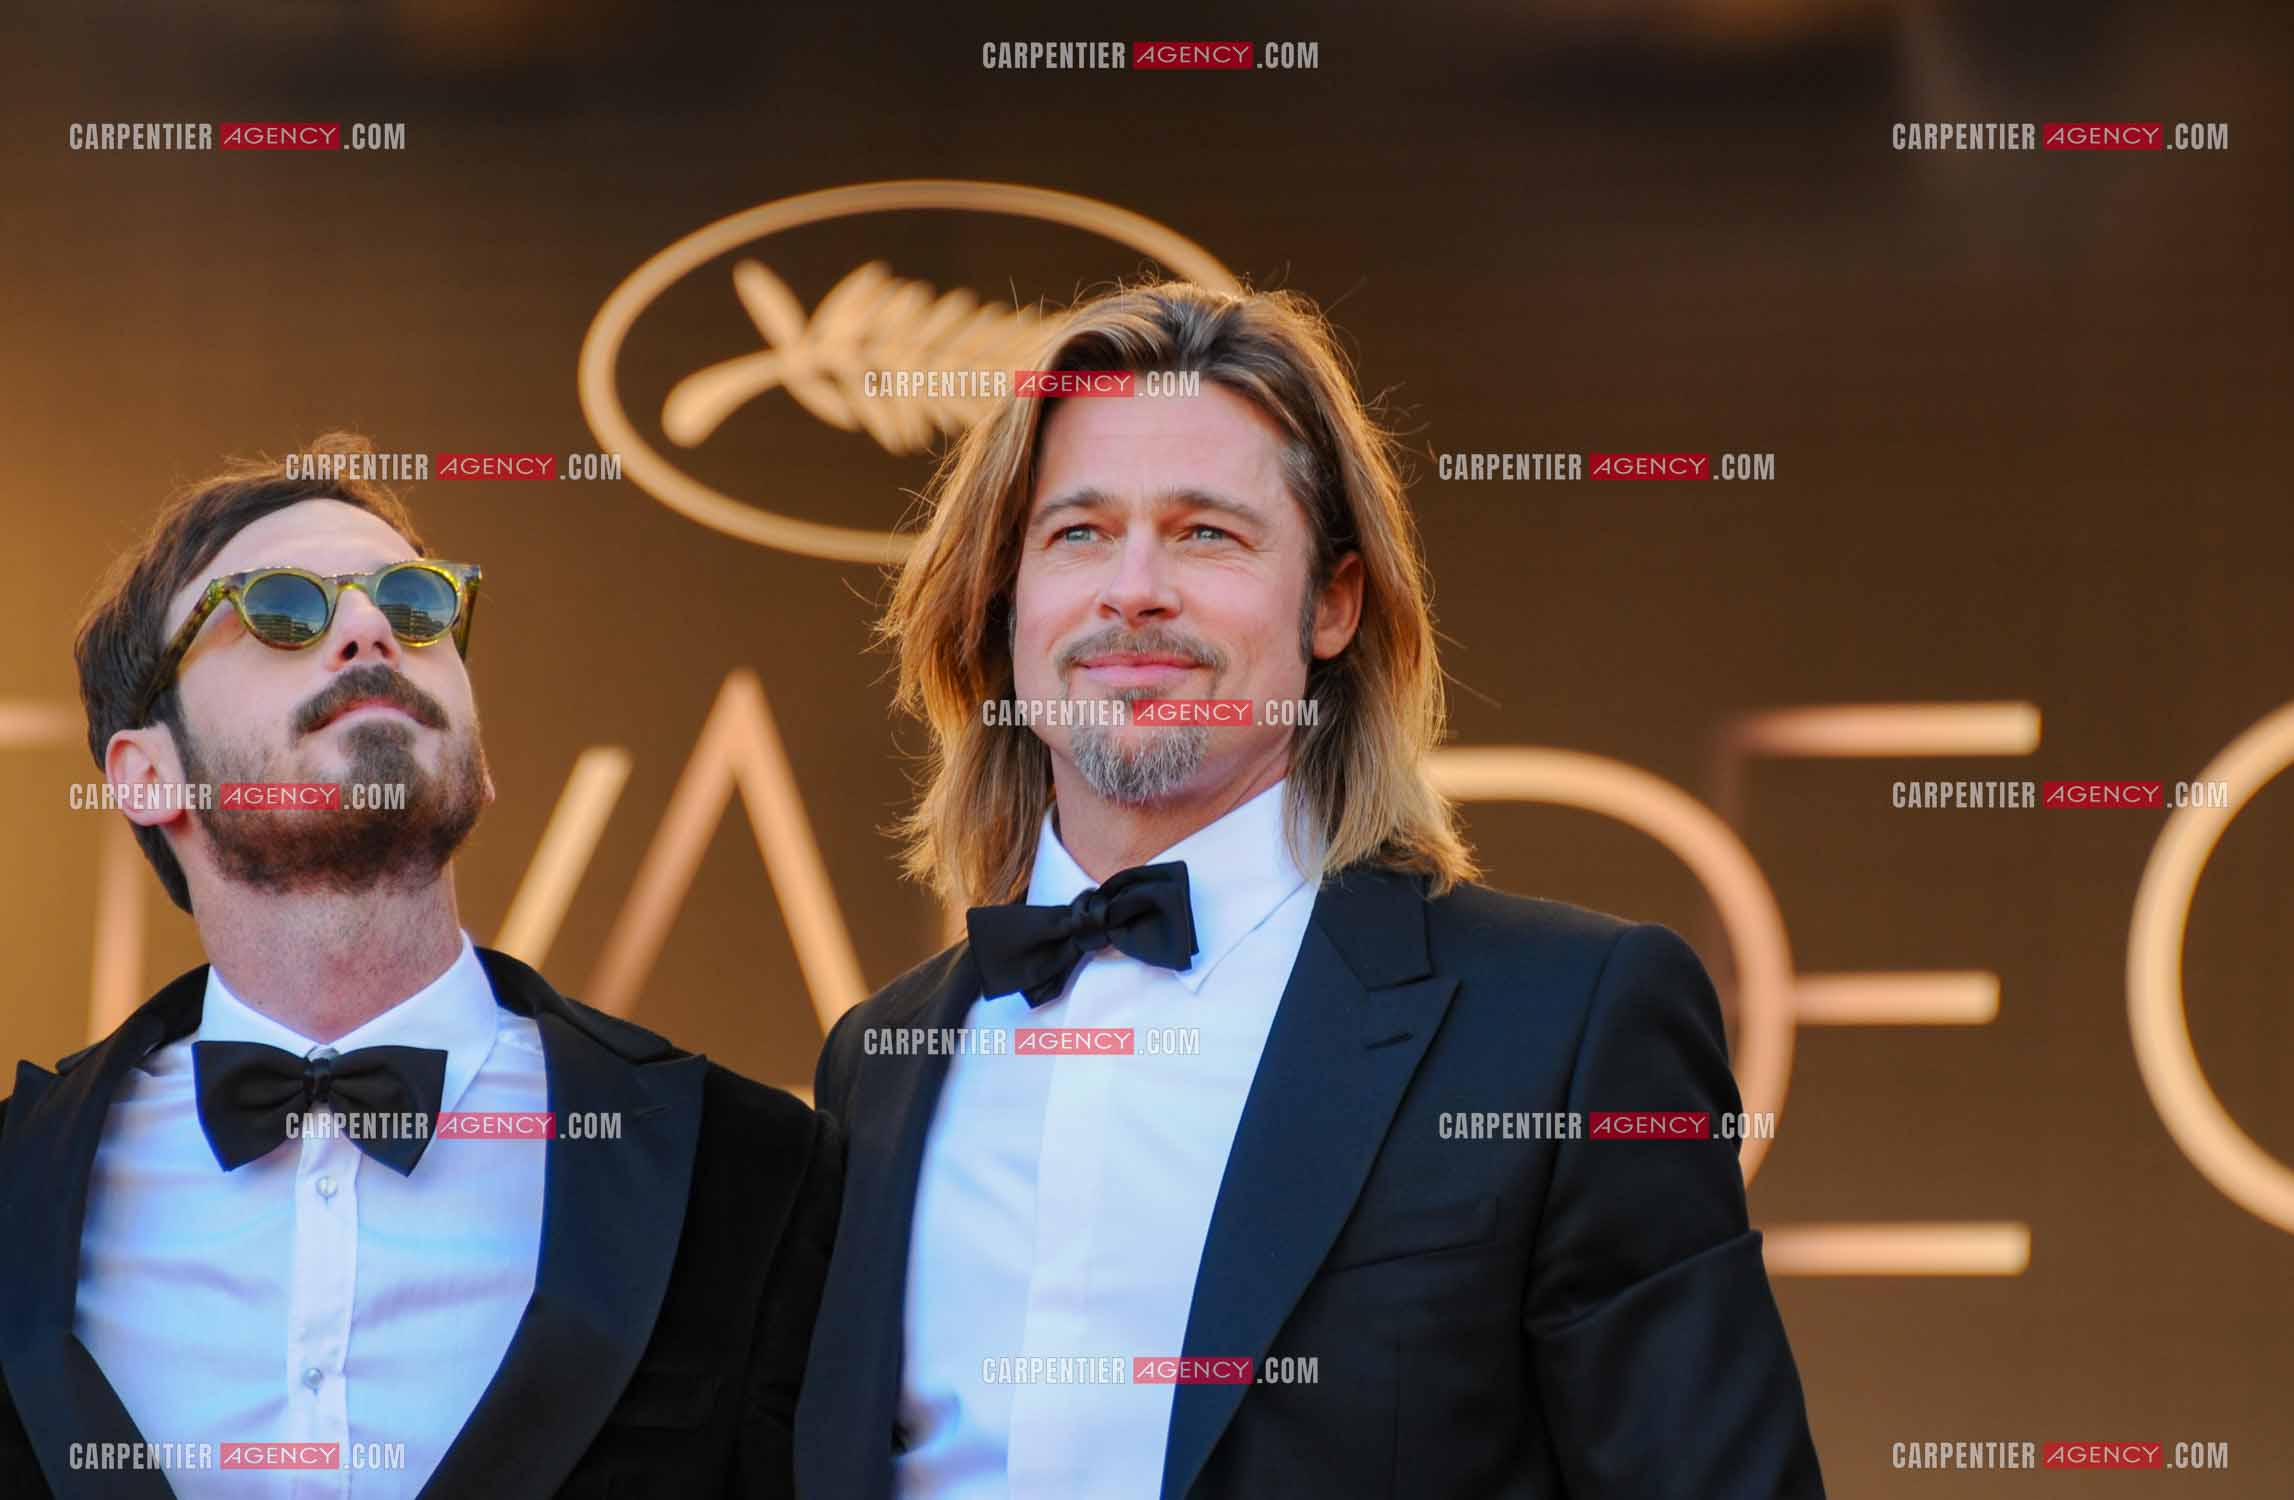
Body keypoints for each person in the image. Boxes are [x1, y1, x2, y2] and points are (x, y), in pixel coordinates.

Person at [796, 284, 1825, 1498]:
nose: (1132, 589)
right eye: (1076, 532)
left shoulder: (1566, 1027)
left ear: (1331, 605)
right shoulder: (882, 1061)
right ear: (1002, 600)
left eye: (1204, 534)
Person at [0, 435, 840, 1499]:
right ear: (146, 773)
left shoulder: (749, 1170)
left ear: (479, 761)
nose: (365, 629)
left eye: (415, 605)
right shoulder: (14, 1194)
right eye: (281, 610)